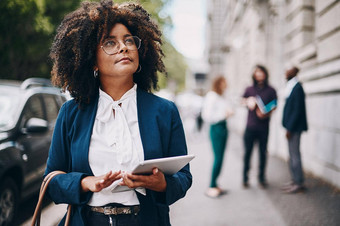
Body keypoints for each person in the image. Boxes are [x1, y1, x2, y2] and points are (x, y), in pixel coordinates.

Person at [45, 1, 192, 226]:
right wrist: (86, 182)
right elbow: (51, 182)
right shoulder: (72, 112)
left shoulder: (164, 111)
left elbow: (184, 178)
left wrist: (160, 183)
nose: (123, 47)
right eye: (110, 43)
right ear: (93, 61)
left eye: (129, 40)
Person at [242, 65, 277, 189]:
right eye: (257, 73)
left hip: (264, 127)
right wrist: (247, 101)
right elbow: (241, 100)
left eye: (261, 72)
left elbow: (275, 105)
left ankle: (261, 178)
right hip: (250, 127)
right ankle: (245, 178)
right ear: (254, 75)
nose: (259, 75)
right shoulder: (249, 89)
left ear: (265, 74)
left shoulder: (271, 90)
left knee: (263, 153)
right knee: (247, 153)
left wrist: (266, 112)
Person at [202, 76, 233, 197]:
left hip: (224, 127)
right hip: (216, 128)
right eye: (224, 82)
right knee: (218, 157)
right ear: (219, 83)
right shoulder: (212, 96)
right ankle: (211, 185)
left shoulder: (222, 96)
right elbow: (207, 116)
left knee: (221, 157)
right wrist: (223, 115)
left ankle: (215, 183)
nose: (226, 84)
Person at [281, 66, 308, 193]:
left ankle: (298, 182)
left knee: (295, 155)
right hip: (291, 128)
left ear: (293, 72)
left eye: (288, 70)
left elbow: (297, 111)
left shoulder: (297, 88)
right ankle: (294, 180)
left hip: (294, 129)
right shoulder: (291, 86)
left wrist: (289, 129)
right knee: (291, 155)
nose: (285, 72)